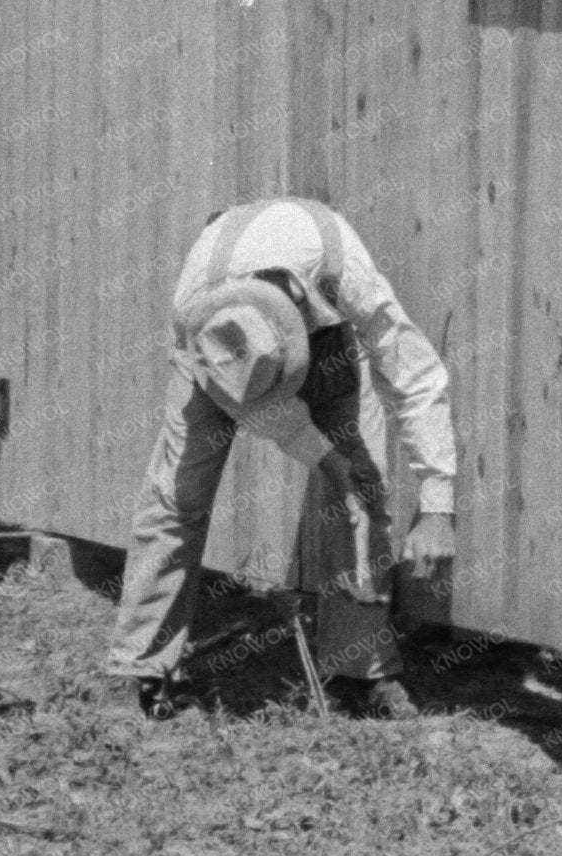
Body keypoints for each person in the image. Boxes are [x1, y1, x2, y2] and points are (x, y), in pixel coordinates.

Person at [107, 197, 459, 719]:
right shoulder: (193, 308)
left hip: (327, 339)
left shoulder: (343, 270)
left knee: (360, 488)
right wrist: (319, 455)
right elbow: (252, 401)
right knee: (173, 500)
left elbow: (416, 376)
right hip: (212, 357)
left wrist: (436, 507)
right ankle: (134, 669)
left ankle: (361, 669)